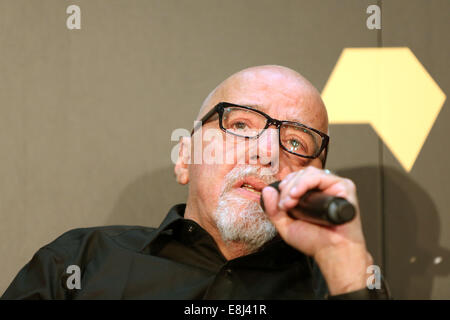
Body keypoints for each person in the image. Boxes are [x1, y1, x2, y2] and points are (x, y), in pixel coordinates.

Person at [1, 65, 389, 299]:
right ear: (185, 157)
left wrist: (346, 267)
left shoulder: (341, 285)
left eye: (295, 141)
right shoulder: (78, 262)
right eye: (240, 125)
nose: (268, 151)